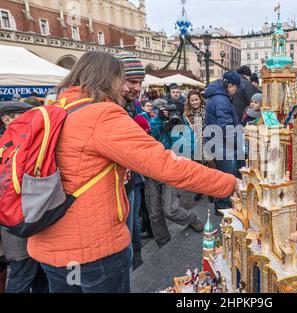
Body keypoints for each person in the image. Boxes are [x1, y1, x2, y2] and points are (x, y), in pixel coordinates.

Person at [26, 51, 239, 293]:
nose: (131, 87)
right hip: (92, 250)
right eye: (125, 79)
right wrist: (229, 183)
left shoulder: (56, 109)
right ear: (109, 79)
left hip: (50, 247)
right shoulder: (101, 114)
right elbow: (165, 165)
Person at [0, 101, 49, 293]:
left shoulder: (17, 142)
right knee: (22, 276)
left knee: (37, 276)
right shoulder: (8, 146)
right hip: (16, 228)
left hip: (26, 224)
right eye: (24, 115)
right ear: (6, 119)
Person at [146, 97, 205, 247]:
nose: (170, 116)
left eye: (173, 113)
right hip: (152, 170)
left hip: (171, 170)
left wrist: (177, 131)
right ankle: (163, 243)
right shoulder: (157, 122)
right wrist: (160, 121)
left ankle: (191, 219)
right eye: (167, 112)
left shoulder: (183, 125)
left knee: (170, 209)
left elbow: (191, 150)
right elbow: (149, 137)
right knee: (154, 213)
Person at [114, 52, 147, 271]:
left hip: (130, 181)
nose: (137, 88)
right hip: (112, 188)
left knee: (132, 223)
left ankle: (135, 258)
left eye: (140, 82)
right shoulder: (106, 110)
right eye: (132, 81)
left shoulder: (133, 109)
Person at [205, 71, 244, 215]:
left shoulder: (216, 97)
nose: (236, 92)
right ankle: (226, 209)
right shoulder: (222, 100)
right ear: (231, 85)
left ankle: (222, 205)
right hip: (224, 147)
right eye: (236, 88)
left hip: (219, 145)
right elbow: (226, 129)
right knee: (228, 178)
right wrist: (240, 143)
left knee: (223, 176)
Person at [184, 90, 214, 202]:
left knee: (210, 166)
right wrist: (189, 128)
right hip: (195, 143)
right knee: (198, 168)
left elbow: (211, 124)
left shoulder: (206, 110)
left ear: (200, 99)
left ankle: (211, 191)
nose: (195, 102)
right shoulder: (187, 113)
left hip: (206, 141)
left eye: (196, 99)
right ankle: (201, 189)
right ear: (189, 102)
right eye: (192, 100)